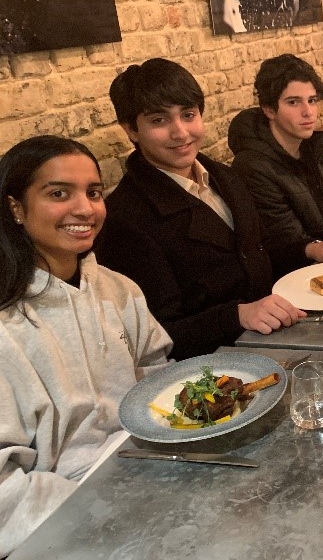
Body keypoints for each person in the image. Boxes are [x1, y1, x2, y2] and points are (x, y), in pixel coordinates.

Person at [0, 136, 171, 555]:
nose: (85, 209)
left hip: (155, 476)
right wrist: (101, 508)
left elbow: (160, 379)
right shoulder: (6, 326)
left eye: (94, 192)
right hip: (68, 524)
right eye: (59, 193)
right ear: (16, 208)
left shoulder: (118, 289)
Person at [94, 58, 305, 361]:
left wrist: (311, 249)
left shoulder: (223, 176)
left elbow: (258, 249)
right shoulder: (125, 219)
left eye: (188, 115)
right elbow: (155, 335)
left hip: (275, 336)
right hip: (215, 370)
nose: (181, 132)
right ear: (131, 130)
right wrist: (237, 316)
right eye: (159, 121)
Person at [228, 54, 323, 279]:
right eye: (293, 102)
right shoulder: (252, 166)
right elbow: (281, 241)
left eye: (312, 100)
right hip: (297, 278)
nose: (308, 112)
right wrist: (318, 248)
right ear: (269, 110)